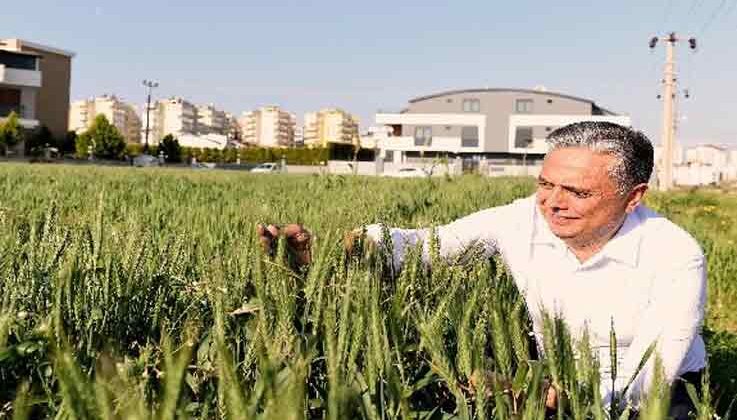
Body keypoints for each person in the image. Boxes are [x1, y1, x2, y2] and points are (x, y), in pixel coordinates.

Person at [258, 121, 706, 418]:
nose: (552, 203)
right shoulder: (520, 218)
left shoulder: (674, 256)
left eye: (577, 192)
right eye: (546, 185)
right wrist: (342, 249)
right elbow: (425, 248)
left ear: (633, 197)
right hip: (548, 378)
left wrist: (548, 399)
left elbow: (649, 378)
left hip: (657, 395)